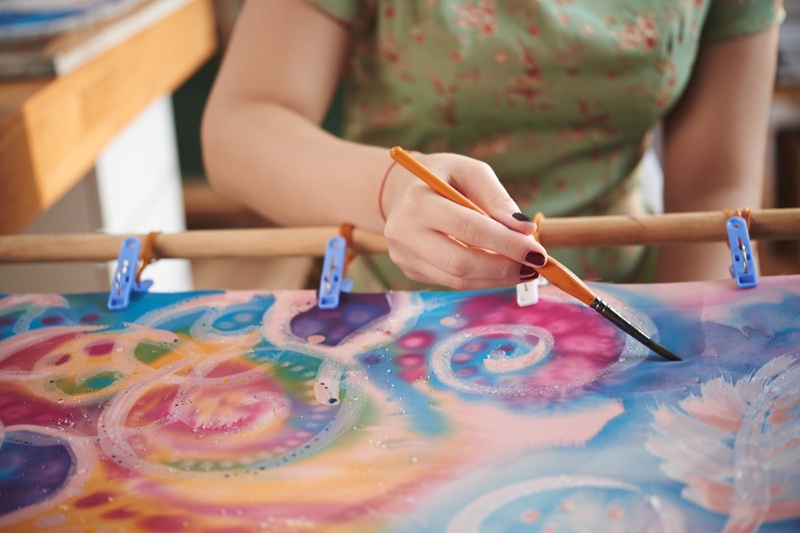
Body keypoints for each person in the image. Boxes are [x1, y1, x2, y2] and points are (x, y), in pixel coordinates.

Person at [202, 0, 783, 291]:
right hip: (391, 303)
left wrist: (673, 341)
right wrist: (388, 191)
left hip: (630, 292)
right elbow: (239, 126)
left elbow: (714, 184)